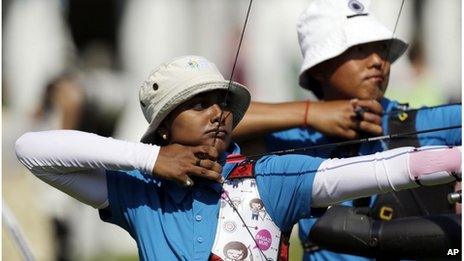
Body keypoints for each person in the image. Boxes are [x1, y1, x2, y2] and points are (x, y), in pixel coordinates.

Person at [15, 55, 461, 261]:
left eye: (221, 102)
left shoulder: (269, 178)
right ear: (164, 127)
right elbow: (32, 150)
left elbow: (386, 170)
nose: (216, 113)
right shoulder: (140, 196)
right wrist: (153, 161)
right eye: (197, 104)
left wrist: (455, 159)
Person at [232, 0, 461, 260]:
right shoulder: (296, 138)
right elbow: (211, 124)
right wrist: (310, 112)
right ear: (319, 68)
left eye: (382, 48)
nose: (377, 61)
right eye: (360, 48)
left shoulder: (422, 124)